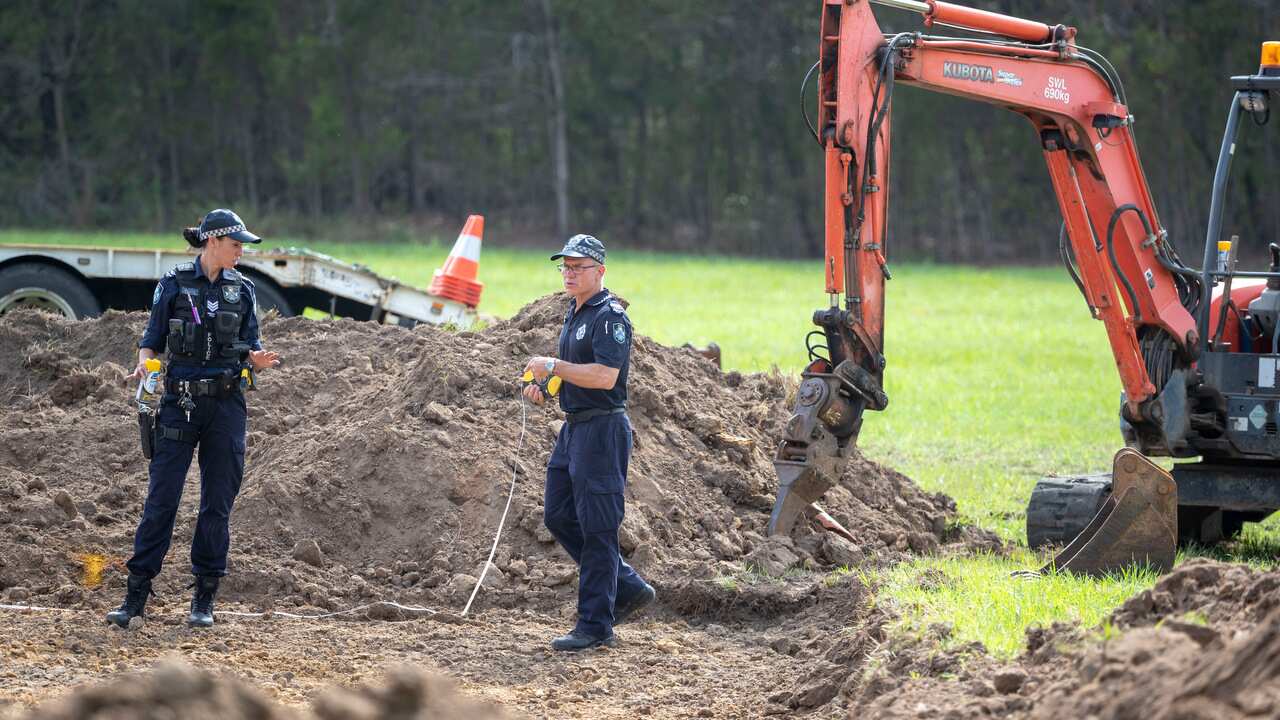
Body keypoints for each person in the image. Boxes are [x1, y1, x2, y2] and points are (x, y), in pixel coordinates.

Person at [107, 209, 280, 630]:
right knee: (161, 501)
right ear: (213, 242)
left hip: (226, 405)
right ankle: (135, 596)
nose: (242, 250)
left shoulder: (244, 290)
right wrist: (145, 368)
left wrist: (255, 359)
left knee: (217, 504)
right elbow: (151, 343)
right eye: (236, 243)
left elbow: (251, 344)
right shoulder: (174, 284)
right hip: (179, 403)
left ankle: (204, 597)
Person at [524, 233, 656, 651]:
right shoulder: (575, 312)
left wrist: (552, 364)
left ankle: (595, 625)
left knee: (599, 528)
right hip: (574, 428)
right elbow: (576, 372)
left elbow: (604, 376)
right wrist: (548, 386)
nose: (569, 272)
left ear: (600, 270)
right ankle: (628, 586)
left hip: (602, 431)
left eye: (578, 266)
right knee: (559, 515)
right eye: (564, 265)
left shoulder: (609, 316)